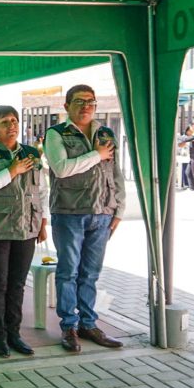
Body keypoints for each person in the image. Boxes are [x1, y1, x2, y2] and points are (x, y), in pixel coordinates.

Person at [43, 84, 125, 353]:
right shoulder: (56, 134)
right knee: (68, 272)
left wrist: (119, 209)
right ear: (67, 106)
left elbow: (116, 173)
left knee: (90, 273)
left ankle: (88, 324)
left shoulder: (105, 133)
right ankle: (69, 326)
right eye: (79, 101)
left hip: (102, 213)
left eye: (91, 101)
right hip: (69, 213)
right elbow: (61, 169)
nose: (86, 106)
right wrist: (96, 155)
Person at [0, 106, 48, 357]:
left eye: (14, 121)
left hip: (26, 227)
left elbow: (41, 190)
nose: (12, 125)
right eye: (5, 122)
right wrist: (12, 170)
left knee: (17, 284)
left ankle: (14, 333)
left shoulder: (31, 154)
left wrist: (43, 222)